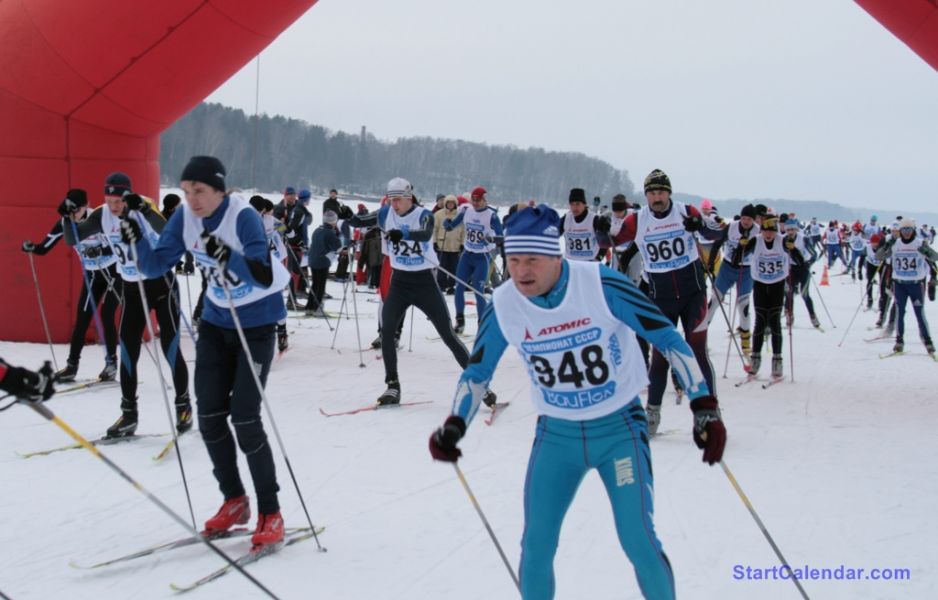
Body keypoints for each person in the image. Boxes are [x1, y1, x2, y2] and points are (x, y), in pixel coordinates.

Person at [428, 205, 726, 600]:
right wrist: (455, 425)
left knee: (638, 539)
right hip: (557, 437)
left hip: (618, 430)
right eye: (513, 260)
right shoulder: (504, 304)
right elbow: (477, 373)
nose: (521, 271)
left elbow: (669, 339)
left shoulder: (600, 284)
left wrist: (703, 405)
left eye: (532, 259)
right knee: (536, 545)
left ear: (556, 255)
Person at [125, 155, 291, 548]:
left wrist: (226, 255)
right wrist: (137, 240)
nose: (192, 199)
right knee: (210, 416)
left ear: (219, 190)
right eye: (185, 191)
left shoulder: (243, 217)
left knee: (245, 418)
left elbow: (264, 272)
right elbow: (154, 265)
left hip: (256, 326)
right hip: (217, 324)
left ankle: (271, 511)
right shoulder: (185, 218)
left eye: (199, 191)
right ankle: (235, 501)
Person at [63, 172, 190, 439]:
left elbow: (166, 230)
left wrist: (142, 208)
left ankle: (183, 405)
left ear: (128, 196)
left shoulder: (143, 205)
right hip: (132, 287)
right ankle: (129, 415)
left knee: (169, 346)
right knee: (128, 350)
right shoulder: (101, 214)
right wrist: (67, 217)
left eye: (119, 201)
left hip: (161, 284)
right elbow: (73, 239)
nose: (114, 206)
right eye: (109, 200)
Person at [350, 178, 495, 406]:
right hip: (400, 282)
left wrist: (403, 234)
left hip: (424, 281)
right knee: (387, 331)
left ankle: (480, 385)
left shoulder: (424, 214)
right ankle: (393, 387)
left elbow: (426, 233)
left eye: (398, 200)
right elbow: (363, 220)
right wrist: (348, 218)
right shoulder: (386, 213)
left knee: (447, 334)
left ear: (408, 198)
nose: (394, 204)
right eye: (391, 199)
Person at [609, 169, 720, 434]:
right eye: (652, 193)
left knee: (697, 352)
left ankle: (710, 413)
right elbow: (612, 241)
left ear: (669, 193)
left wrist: (701, 226)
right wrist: (603, 232)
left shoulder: (686, 211)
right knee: (660, 357)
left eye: (661, 192)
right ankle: (652, 413)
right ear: (646, 195)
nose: (657, 197)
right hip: (661, 299)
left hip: (693, 295)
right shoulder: (638, 220)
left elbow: (718, 234)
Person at [23, 188, 120, 383]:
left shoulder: (99, 218)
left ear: (86, 205)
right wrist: (32, 247)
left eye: (77, 210)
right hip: (92, 276)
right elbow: (45, 248)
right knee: (82, 320)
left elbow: (120, 244)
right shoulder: (65, 223)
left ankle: (111, 364)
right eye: (71, 211)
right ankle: (71, 367)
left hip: (113, 273)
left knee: (106, 316)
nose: (74, 215)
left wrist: (100, 249)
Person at [703, 204, 759, 360]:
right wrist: (710, 263)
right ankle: (701, 340)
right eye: (743, 218)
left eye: (749, 219)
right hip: (727, 269)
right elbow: (717, 244)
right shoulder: (732, 227)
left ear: (753, 220)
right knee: (713, 302)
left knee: (743, 306)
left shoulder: (757, 231)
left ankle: (746, 345)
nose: (746, 221)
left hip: (746, 271)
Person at [444, 186, 504, 334]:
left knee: (478, 291)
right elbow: (452, 226)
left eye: (479, 200)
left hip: (482, 257)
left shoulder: (492, 216)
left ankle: (481, 324)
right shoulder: (466, 211)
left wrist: (491, 239)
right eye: (474, 200)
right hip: (467, 255)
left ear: (485, 200)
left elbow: (501, 237)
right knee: (459, 288)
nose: (476, 203)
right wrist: (448, 225)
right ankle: (460, 321)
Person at [875, 218, 938, 354]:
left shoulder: (919, 243)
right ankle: (899, 341)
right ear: (900, 231)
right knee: (900, 312)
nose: (907, 232)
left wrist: (925, 250)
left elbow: (934, 257)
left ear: (913, 230)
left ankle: (928, 342)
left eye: (909, 230)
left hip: (916, 285)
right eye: (904, 230)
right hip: (899, 285)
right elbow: (879, 257)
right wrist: (887, 245)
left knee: (919, 314)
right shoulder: (895, 244)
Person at [748, 217, 791, 378]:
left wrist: (793, 250)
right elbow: (739, 254)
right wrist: (742, 245)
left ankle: (777, 360)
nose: (768, 234)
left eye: (771, 231)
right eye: (765, 231)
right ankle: (755, 358)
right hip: (759, 283)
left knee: (774, 321)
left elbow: (798, 257)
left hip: (777, 285)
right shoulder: (756, 240)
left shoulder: (782, 240)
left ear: (775, 232)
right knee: (759, 320)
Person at [250, 195, 290, 352]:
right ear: (265, 210)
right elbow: (285, 230)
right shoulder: (270, 220)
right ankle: (281, 331)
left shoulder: (247, 219)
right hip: (273, 264)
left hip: (257, 265)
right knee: (274, 299)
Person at [273, 186, 311, 303]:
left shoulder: (297, 207)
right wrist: (287, 229)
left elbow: (308, 219)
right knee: (289, 270)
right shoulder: (280, 207)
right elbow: (276, 225)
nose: (293, 197)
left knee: (297, 270)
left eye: (294, 195)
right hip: (284, 243)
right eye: (290, 195)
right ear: (285, 195)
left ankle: (296, 293)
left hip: (296, 242)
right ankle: (289, 297)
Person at [782, 219, 821, 328]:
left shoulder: (803, 238)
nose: (790, 232)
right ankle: (790, 316)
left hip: (803, 268)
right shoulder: (783, 239)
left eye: (792, 229)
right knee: (788, 293)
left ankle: (813, 316)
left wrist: (808, 263)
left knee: (804, 294)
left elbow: (814, 254)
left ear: (796, 229)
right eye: (788, 229)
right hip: (790, 269)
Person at [304, 211, 342, 317]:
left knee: (315, 284)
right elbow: (338, 247)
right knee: (321, 286)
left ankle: (309, 307)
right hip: (322, 261)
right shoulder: (330, 232)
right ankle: (317, 309)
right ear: (333, 221)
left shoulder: (317, 230)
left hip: (313, 260)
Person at [559, 188, 611, 262]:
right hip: (570, 262)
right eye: (572, 204)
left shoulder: (594, 219)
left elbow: (604, 243)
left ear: (584, 204)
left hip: (589, 262)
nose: (574, 208)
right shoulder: (565, 219)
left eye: (577, 204)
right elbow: (553, 235)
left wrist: (598, 258)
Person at [433, 194, 464, 293]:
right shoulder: (438, 214)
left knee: (454, 267)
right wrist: (434, 242)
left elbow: (464, 231)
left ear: (455, 204)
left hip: (455, 246)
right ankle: (441, 285)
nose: (450, 205)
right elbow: (434, 229)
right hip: (442, 245)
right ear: (446, 203)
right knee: (442, 266)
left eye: (452, 203)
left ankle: (452, 286)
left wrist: (463, 243)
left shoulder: (460, 215)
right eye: (448, 203)